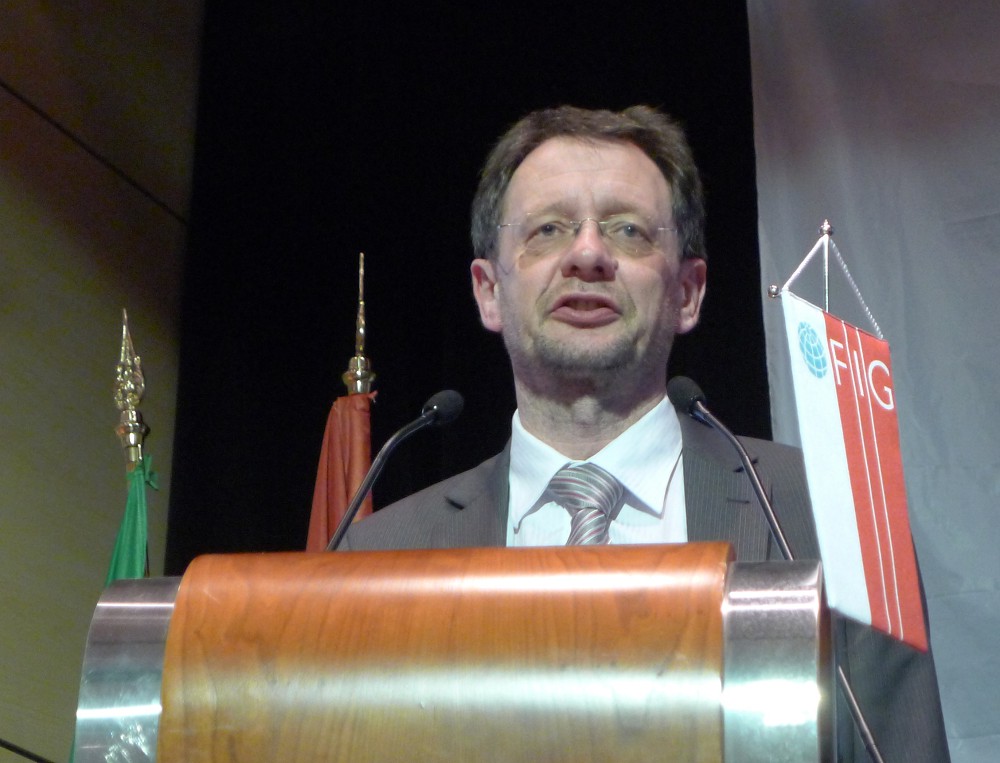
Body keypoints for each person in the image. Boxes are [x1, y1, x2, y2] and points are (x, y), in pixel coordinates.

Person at [343, 105, 950, 761]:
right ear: (489, 291)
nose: (587, 254)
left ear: (688, 291)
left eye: (628, 230)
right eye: (548, 230)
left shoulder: (835, 514)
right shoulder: (375, 555)